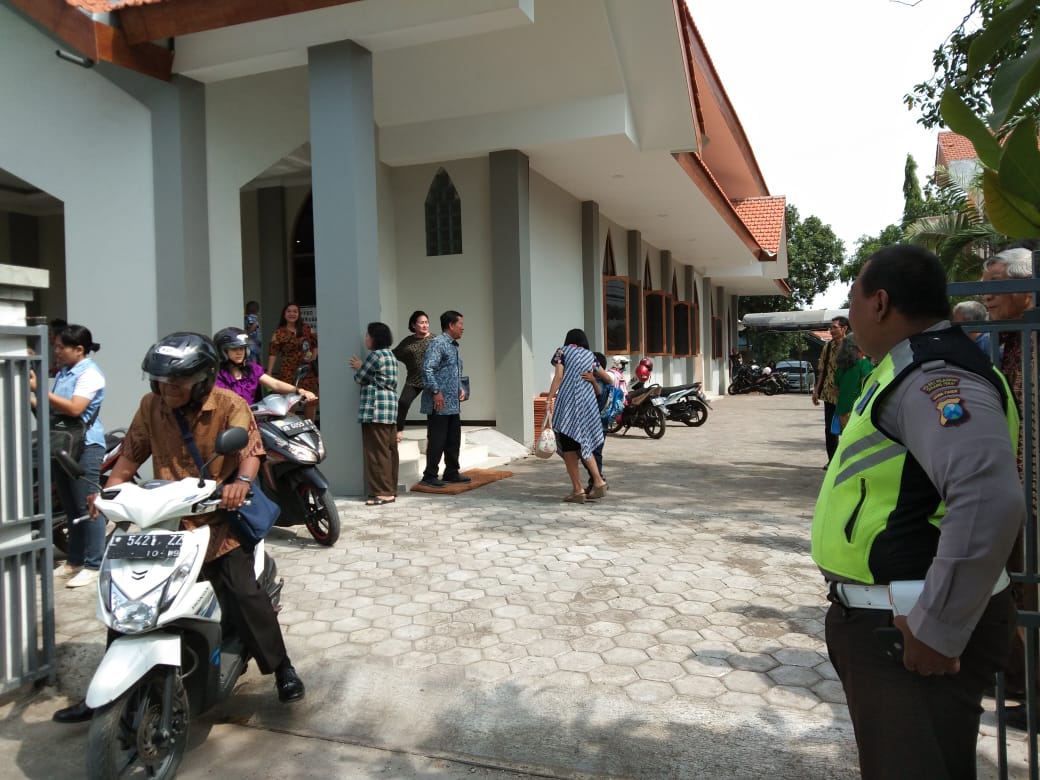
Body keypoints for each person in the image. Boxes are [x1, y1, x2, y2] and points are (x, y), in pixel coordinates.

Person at [812, 245, 1024, 779]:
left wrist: (939, 625)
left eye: (853, 299)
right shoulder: (909, 367)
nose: (850, 314)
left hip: (908, 626)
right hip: (897, 616)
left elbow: (987, 498)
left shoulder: (936, 376)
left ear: (880, 303)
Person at [52, 333, 304, 724]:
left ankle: (282, 667)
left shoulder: (229, 404)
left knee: (242, 590)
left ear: (202, 380)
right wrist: (109, 493)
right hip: (163, 520)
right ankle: (107, 690)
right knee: (129, 593)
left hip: (216, 518)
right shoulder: (150, 406)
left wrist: (240, 483)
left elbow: (250, 451)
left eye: (176, 381)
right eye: (160, 380)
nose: (166, 388)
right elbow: (131, 455)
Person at [980, 246, 1037, 725]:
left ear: (1027, 290)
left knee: (1028, 593)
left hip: (1031, 495)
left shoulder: (1031, 343)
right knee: (1016, 590)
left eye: (996, 284)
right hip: (1014, 493)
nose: (988, 296)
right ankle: (1018, 679)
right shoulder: (1010, 344)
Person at [30, 324, 105, 589]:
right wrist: (29, 392)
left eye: (61, 347)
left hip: (86, 446)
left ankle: (94, 564)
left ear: (79, 349)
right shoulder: (65, 372)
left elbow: (75, 408)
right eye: (56, 346)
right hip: (63, 445)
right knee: (71, 507)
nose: (57, 351)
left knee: (89, 506)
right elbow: (52, 408)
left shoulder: (90, 374)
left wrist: (40, 390)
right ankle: (74, 561)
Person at [545, 329, 608, 504]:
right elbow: (607, 378)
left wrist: (549, 398)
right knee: (583, 443)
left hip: (569, 405)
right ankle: (598, 481)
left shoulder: (562, 351)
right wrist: (592, 378)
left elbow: (559, 376)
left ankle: (578, 489)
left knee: (569, 447)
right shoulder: (591, 356)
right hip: (587, 407)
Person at [349, 322, 399, 505]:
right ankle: (390, 489)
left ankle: (382, 492)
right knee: (389, 451)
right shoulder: (390, 355)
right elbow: (379, 378)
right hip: (389, 409)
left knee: (376, 452)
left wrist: (360, 366)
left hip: (375, 409)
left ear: (375, 338)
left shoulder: (375, 355)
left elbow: (360, 377)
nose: (366, 339)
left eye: (368, 336)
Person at [419, 311, 469, 488]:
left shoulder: (453, 346)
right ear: (450, 325)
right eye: (460, 324)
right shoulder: (438, 343)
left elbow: (453, 371)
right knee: (437, 440)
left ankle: (451, 472)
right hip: (439, 403)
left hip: (452, 403)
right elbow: (427, 369)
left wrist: (460, 387)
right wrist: (436, 391)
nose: (463, 328)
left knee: (453, 439)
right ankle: (430, 475)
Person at [213, 327, 317, 407]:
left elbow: (275, 384)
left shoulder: (251, 369)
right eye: (234, 349)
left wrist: (300, 391)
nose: (239, 352)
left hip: (251, 420)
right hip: (227, 423)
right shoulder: (217, 375)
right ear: (223, 351)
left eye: (242, 348)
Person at [267, 302, 319, 421]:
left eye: (295, 311)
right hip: (288, 371)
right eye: (289, 311)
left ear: (299, 314)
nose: (292, 314)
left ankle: (310, 427)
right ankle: (291, 428)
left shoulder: (306, 328)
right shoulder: (279, 333)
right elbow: (273, 353)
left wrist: (314, 355)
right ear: (284, 314)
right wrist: (269, 372)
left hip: (307, 370)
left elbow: (315, 343)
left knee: (311, 401)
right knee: (290, 401)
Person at [811, 316, 849, 465]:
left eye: (834, 327)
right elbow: (822, 370)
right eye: (831, 327)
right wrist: (816, 390)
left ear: (844, 329)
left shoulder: (851, 346)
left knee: (848, 428)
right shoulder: (827, 347)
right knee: (830, 429)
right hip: (829, 393)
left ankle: (846, 461)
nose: (831, 330)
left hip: (846, 394)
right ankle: (832, 461)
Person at [392, 310, 433, 443]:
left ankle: (431, 438)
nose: (425, 325)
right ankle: (398, 430)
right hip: (414, 379)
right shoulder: (408, 341)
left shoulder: (435, 339)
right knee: (403, 402)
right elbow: (395, 353)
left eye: (426, 322)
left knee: (432, 409)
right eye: (421, 323)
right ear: (413, 325)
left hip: (432, 380)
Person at [581, 351, 616, 493]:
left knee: (592, 454)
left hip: (597, 425)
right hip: (603, 424)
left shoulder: (599, 382)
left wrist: (593, 381)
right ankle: (596, 480)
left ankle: (598, 481)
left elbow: (598, 397)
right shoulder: (606, 381)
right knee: (595, 454)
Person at [832, 332, 873, 433]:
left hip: (842, 408)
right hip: (858, 409)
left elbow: (835, 390)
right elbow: (868, 387)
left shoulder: (841, 367)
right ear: (858, 346)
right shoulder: (864, 363)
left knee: (846, 436)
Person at [244, 300, 262, 364]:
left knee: (253, 356)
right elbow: (253, 326)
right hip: (252, 342)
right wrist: (247, 333)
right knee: (253, 357)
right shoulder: (251, 317)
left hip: (253, 342)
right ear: (257, 311)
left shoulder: (247, 317)